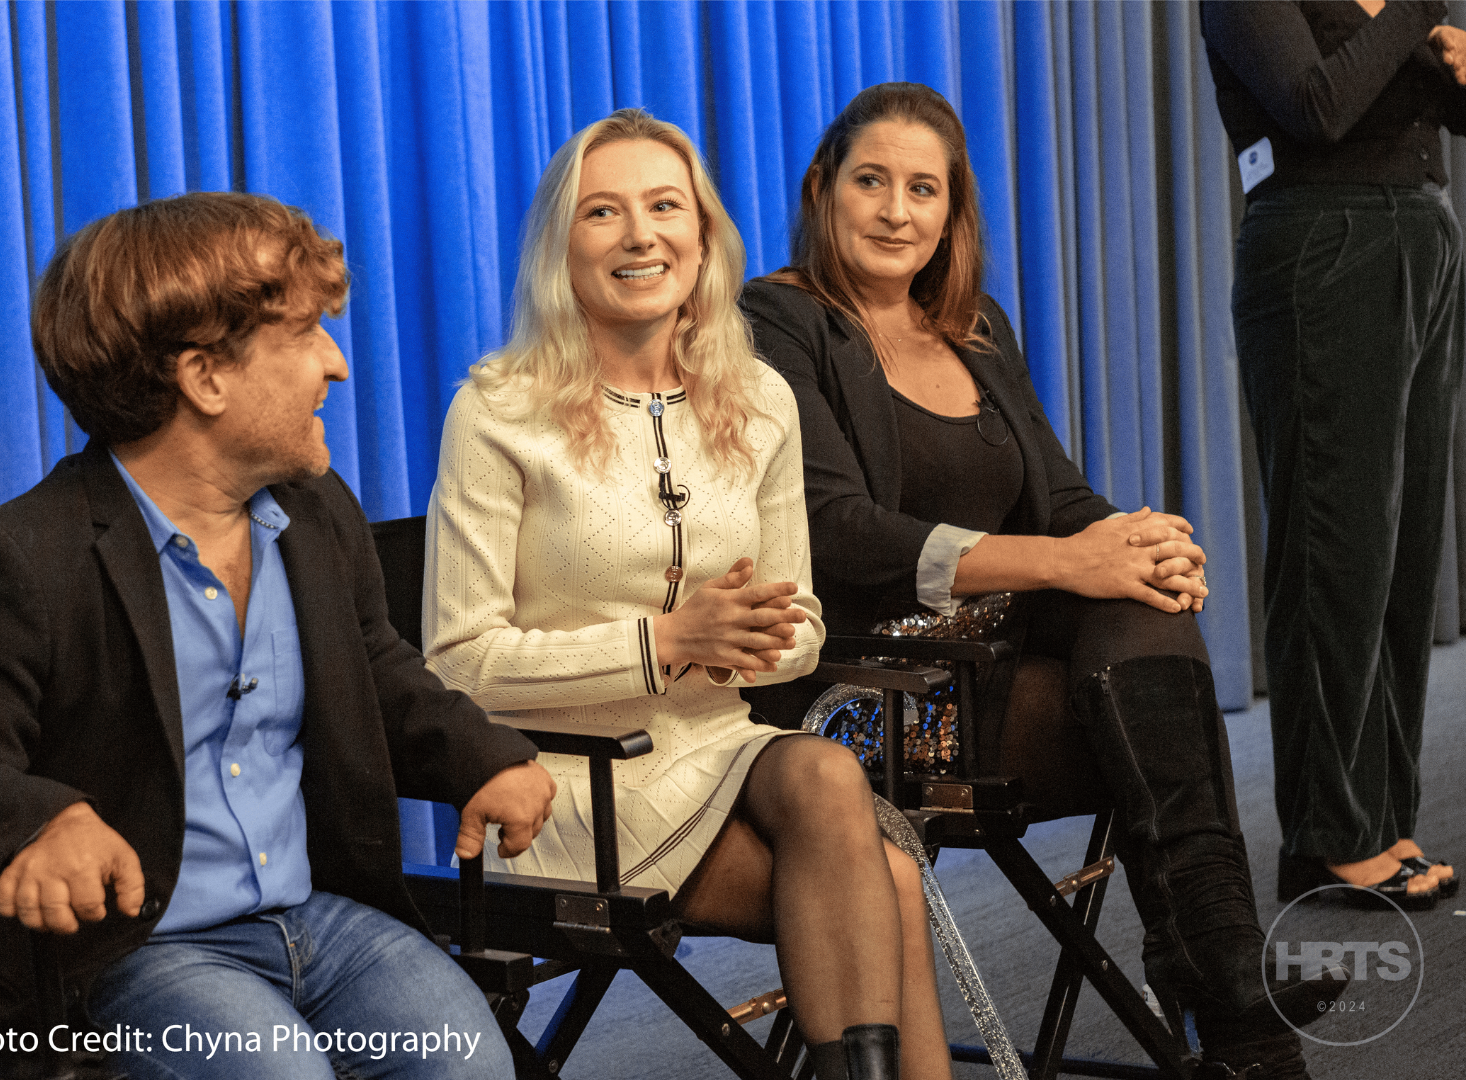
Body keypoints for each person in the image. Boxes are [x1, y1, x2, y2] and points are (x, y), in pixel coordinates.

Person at [739, 83, 1344, 1080]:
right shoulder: (778, 319)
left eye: (924, 189)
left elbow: (1057, 499)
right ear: (822, 189)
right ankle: (1229, 987)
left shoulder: (975, 328)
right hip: (869, 687)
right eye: (872, 181)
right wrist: (1075, 561)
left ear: (954, 208)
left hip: (992, 651)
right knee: (1151, 683)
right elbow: (836, 529)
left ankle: (1229, 993)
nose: (897, 211)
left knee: (1143, 616)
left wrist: (1135, 543)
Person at [0, 192, 556, 1080]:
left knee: (468, 1062)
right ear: (204, 377)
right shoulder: (20, 557)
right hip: (136, 947)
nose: (338, 365)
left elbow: (378, 670)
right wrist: (43, 822)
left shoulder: (317, 514)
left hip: (317, 913)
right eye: (308, 335)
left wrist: (485, 756)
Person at [423, 108, 949, 1080]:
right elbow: (460, 665)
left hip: (725, 751)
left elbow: (799, 632)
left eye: (667, 206)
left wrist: (751, 641)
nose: (641, 235)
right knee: (887, 875)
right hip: (568, 786)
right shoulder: (496, 412)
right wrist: (663, 643)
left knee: (830, 779)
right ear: (560, 246)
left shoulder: (758, 399)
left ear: (702, 236)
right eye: (604, 213)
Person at [1201, 0, 1463, 913]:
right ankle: (1325, 836)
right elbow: (1316, 105)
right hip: (1323, 243)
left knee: (1399, 556)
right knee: (1334, 552)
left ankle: (1381, 816)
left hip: (1421, 239)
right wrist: (1418, 15)